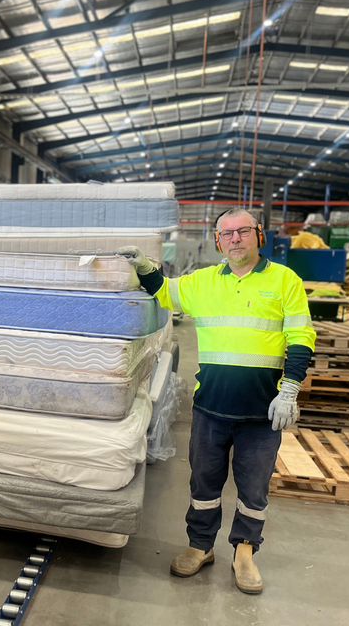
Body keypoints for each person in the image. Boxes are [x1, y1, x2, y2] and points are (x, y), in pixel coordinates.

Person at [118, 207, 316, 594]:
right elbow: (164, 291)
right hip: (210, 408)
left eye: (242, 231)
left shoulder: (284, 281)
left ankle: (244, 552)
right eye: (226, 234)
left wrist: (289, 390)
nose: (235, 239)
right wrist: (142, 266)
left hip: (262, 413)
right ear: (217, 241)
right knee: (203, 483)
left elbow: (301, 337)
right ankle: (200, 546)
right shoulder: (203, 282)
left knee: (253, 489)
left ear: (259, 234)